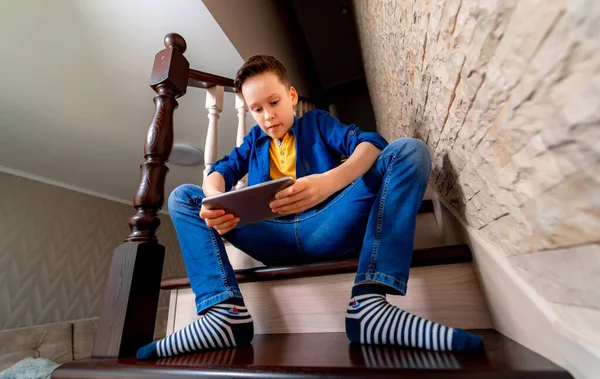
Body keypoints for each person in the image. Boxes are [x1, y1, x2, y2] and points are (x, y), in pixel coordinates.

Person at [137, 55, 482, 360]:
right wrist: (215, 205)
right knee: (184, 196)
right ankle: (223, 314)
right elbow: (218, 173)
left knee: (408, 150)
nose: (267, 116)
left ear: (291, 96)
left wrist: (329, 182)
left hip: (328, 227)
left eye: (273, 102)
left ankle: (369, 304)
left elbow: (370, 144)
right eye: (256, 109)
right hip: (271, 239)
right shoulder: (253, 142)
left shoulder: (317, 123)